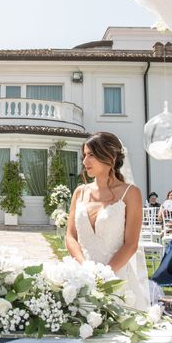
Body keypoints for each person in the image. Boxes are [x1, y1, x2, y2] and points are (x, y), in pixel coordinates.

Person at [65, 132, 150, 310]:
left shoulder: (131, 193)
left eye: (91, 155)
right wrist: (85, 269)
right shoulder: (79, 192)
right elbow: (70, 237)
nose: (84, 162)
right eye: (84, 156)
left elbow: (131, 244)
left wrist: (104, 276)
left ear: (110, 157)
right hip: (81, 276)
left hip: (116, 279)